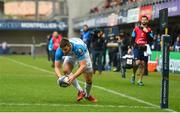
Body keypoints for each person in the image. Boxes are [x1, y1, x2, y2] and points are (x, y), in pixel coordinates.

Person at [54, 38, 97, 103]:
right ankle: (81, 91)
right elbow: (56, 67)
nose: (64, 52)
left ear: (69, 46)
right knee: (65, 70)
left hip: (83, 54)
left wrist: (73, 76)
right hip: (70, 56)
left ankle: (87, 95)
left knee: (88, 79)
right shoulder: (59, 51)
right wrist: (60, 77)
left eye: (65, 49)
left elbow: (83, 66)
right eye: (62, 50)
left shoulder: (79, 48)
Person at [129, 15, 153, 86]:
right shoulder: (136, 29)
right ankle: (133, 74)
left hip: (145, 48)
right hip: (137, 47)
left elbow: (151, 40)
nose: (144, 21)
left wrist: (147, 32)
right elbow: (132, 38)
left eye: (145, 20)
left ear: (147, 21)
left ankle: (140, 80)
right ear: (141, 21)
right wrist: (130, 47)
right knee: (137, 62)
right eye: (142, 20)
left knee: (143, 64)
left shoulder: (149, 30)